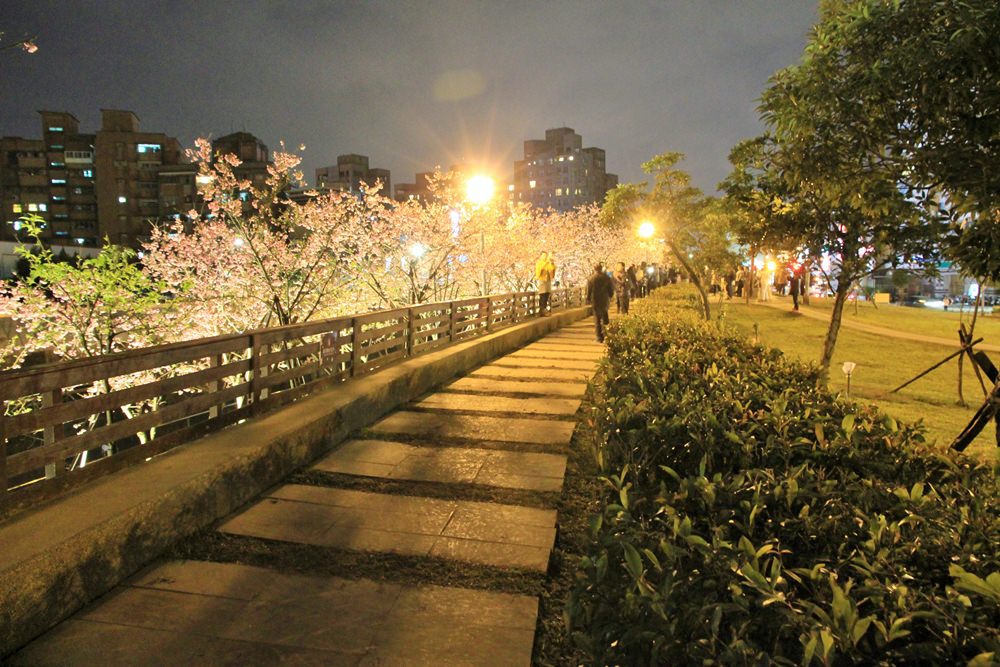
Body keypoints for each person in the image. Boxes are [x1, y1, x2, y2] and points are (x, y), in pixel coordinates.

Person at [587, 263, 615, 343]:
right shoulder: (606, 278)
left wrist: (588, 298)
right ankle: (607, 335)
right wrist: (610, 295)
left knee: (597, 320)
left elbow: (589, 290)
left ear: (594, 269)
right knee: (605, 318)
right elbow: (610, 288)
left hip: (595, 300)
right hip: (604, 299)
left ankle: (599, 337)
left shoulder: (591, 278)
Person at [534, 251, 556, 316]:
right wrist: (546, 263)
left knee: (547, 295)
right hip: (542, 280)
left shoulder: (548, 263)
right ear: (540, 256)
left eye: (546, 255)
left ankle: (544, 309)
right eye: (543, 255)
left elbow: (552, 269)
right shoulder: (539, 263)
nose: (545, 257)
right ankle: (541, 310)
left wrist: (552, 263)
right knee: (542, 295)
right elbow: (539, 271)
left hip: (548, 280)